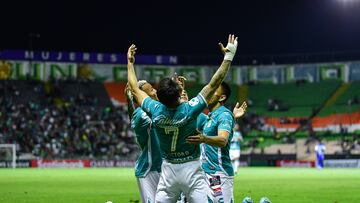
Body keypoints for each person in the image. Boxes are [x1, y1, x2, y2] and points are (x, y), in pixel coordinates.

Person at [127, 34, 238, 202]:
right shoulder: (190, 109)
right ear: (179, 95)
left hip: (168, 171)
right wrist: (228, 57)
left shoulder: (155, 110)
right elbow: (214, 83)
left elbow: (135, 89)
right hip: (192, 169)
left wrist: (130, 62)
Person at [186, 82, 247, 203]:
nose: (207, 93)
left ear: (222, 97)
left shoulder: (224, 114)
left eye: (212, 91)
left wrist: (204, 138)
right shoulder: (210, 116)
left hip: (219, 173)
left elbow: (223, 140)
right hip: (204, 172)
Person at [125, 81, 162, 203]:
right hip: (149, 168)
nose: (155, 91)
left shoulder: (155, 109)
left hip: (164, 167)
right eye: (151, 89)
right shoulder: (142, 114)